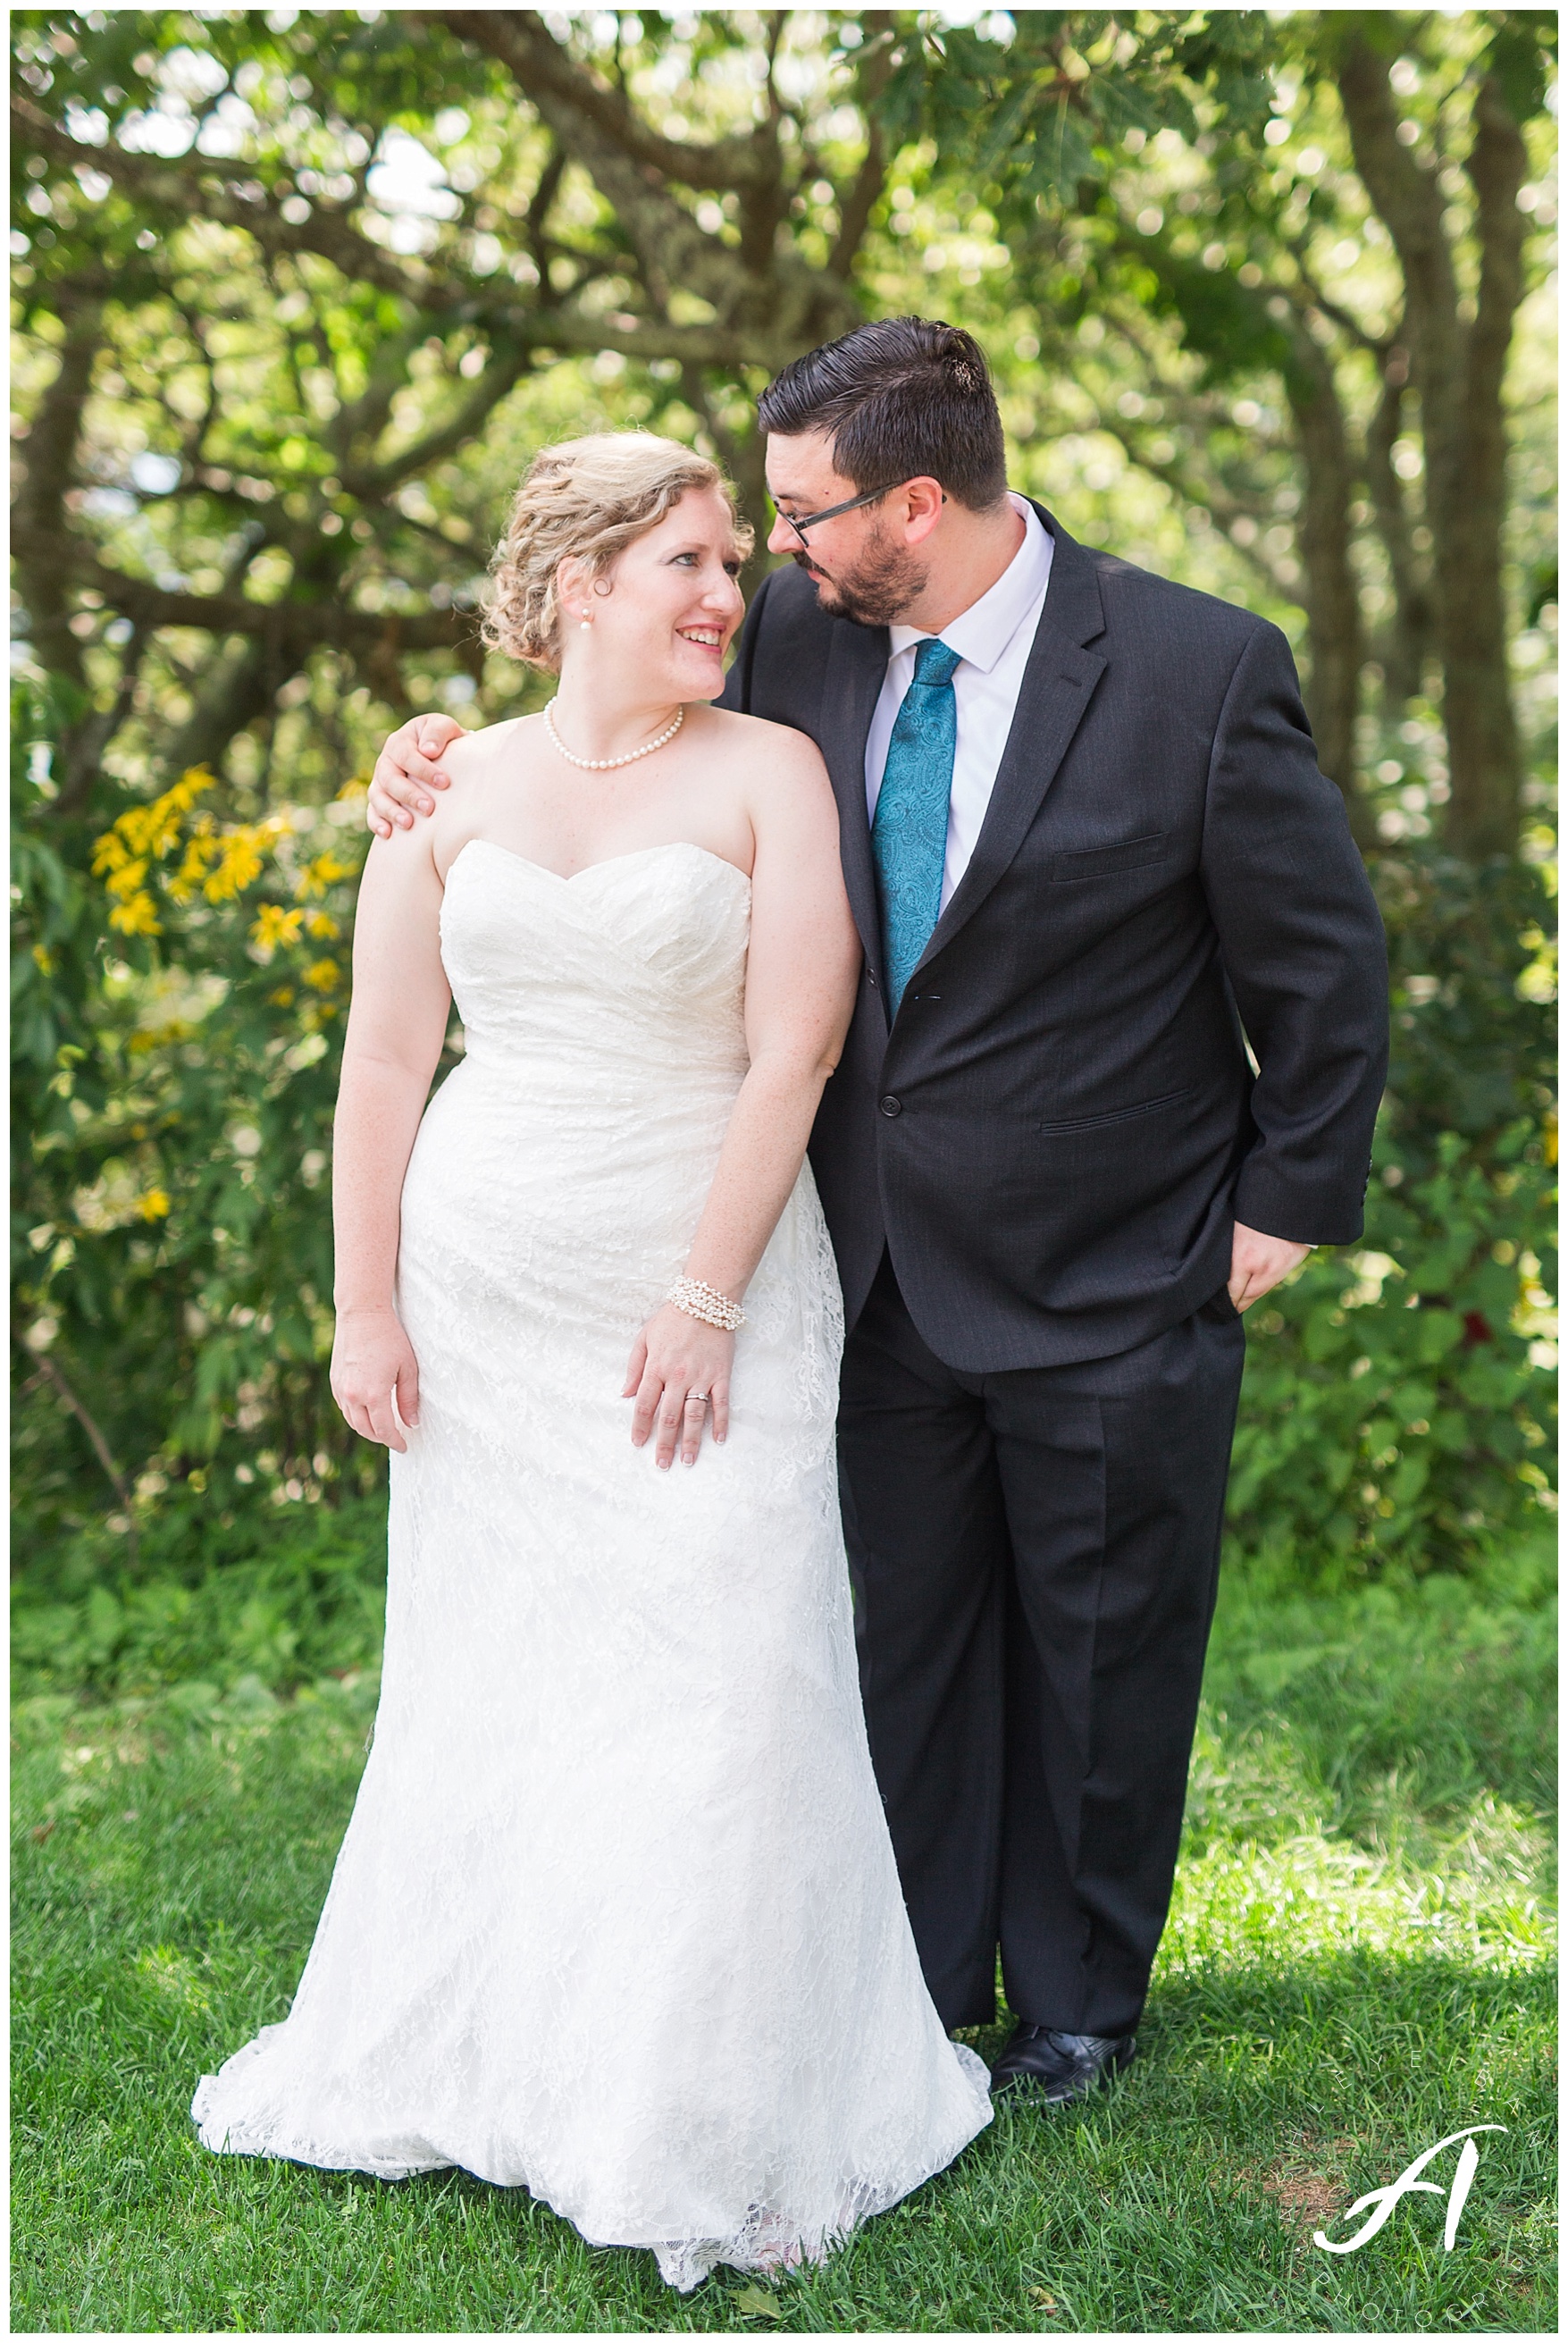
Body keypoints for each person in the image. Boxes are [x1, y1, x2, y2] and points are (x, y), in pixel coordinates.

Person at [369, 319, 1390, 2108]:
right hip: (854, 1258)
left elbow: (1317, 962)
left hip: (1117, 1255)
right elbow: (605, 709)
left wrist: (1286, 1200)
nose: (770, 551)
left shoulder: (1192, 670)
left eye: (800, 513)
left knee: (1098, 1646)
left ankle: (1073, 2002)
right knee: (893, 1643)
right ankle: (907, 1980)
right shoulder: (787, 638)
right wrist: (422, 748)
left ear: (909, 504)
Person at [191, 431, 994, 2292]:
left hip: (703, 1279)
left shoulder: (770, 772)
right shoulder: (446, 781)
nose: (728, 592)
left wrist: (704, 1297)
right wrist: (362, 1303)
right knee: (503, 1681)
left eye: (732, 558)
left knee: (723, 1678)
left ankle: (700, 2112)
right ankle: (506, 2067)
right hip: (483, 1298)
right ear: (578, 591)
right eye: (686, 564)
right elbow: (386, 1059)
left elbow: (793, 1046)